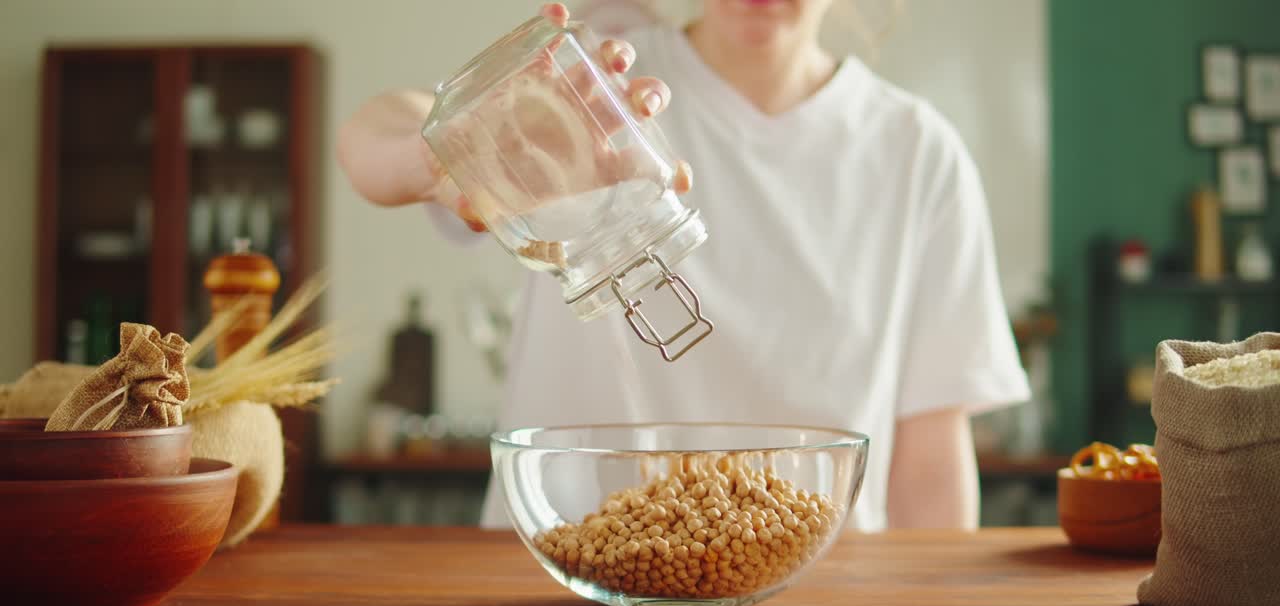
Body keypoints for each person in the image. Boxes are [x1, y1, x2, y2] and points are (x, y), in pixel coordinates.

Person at [338, 0, 1030, 532]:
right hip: (562, 581)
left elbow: (932, 458)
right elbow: (370, 136)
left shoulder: (917, 151)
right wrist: (441, 162)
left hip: (821, 605)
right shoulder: (601, 88)